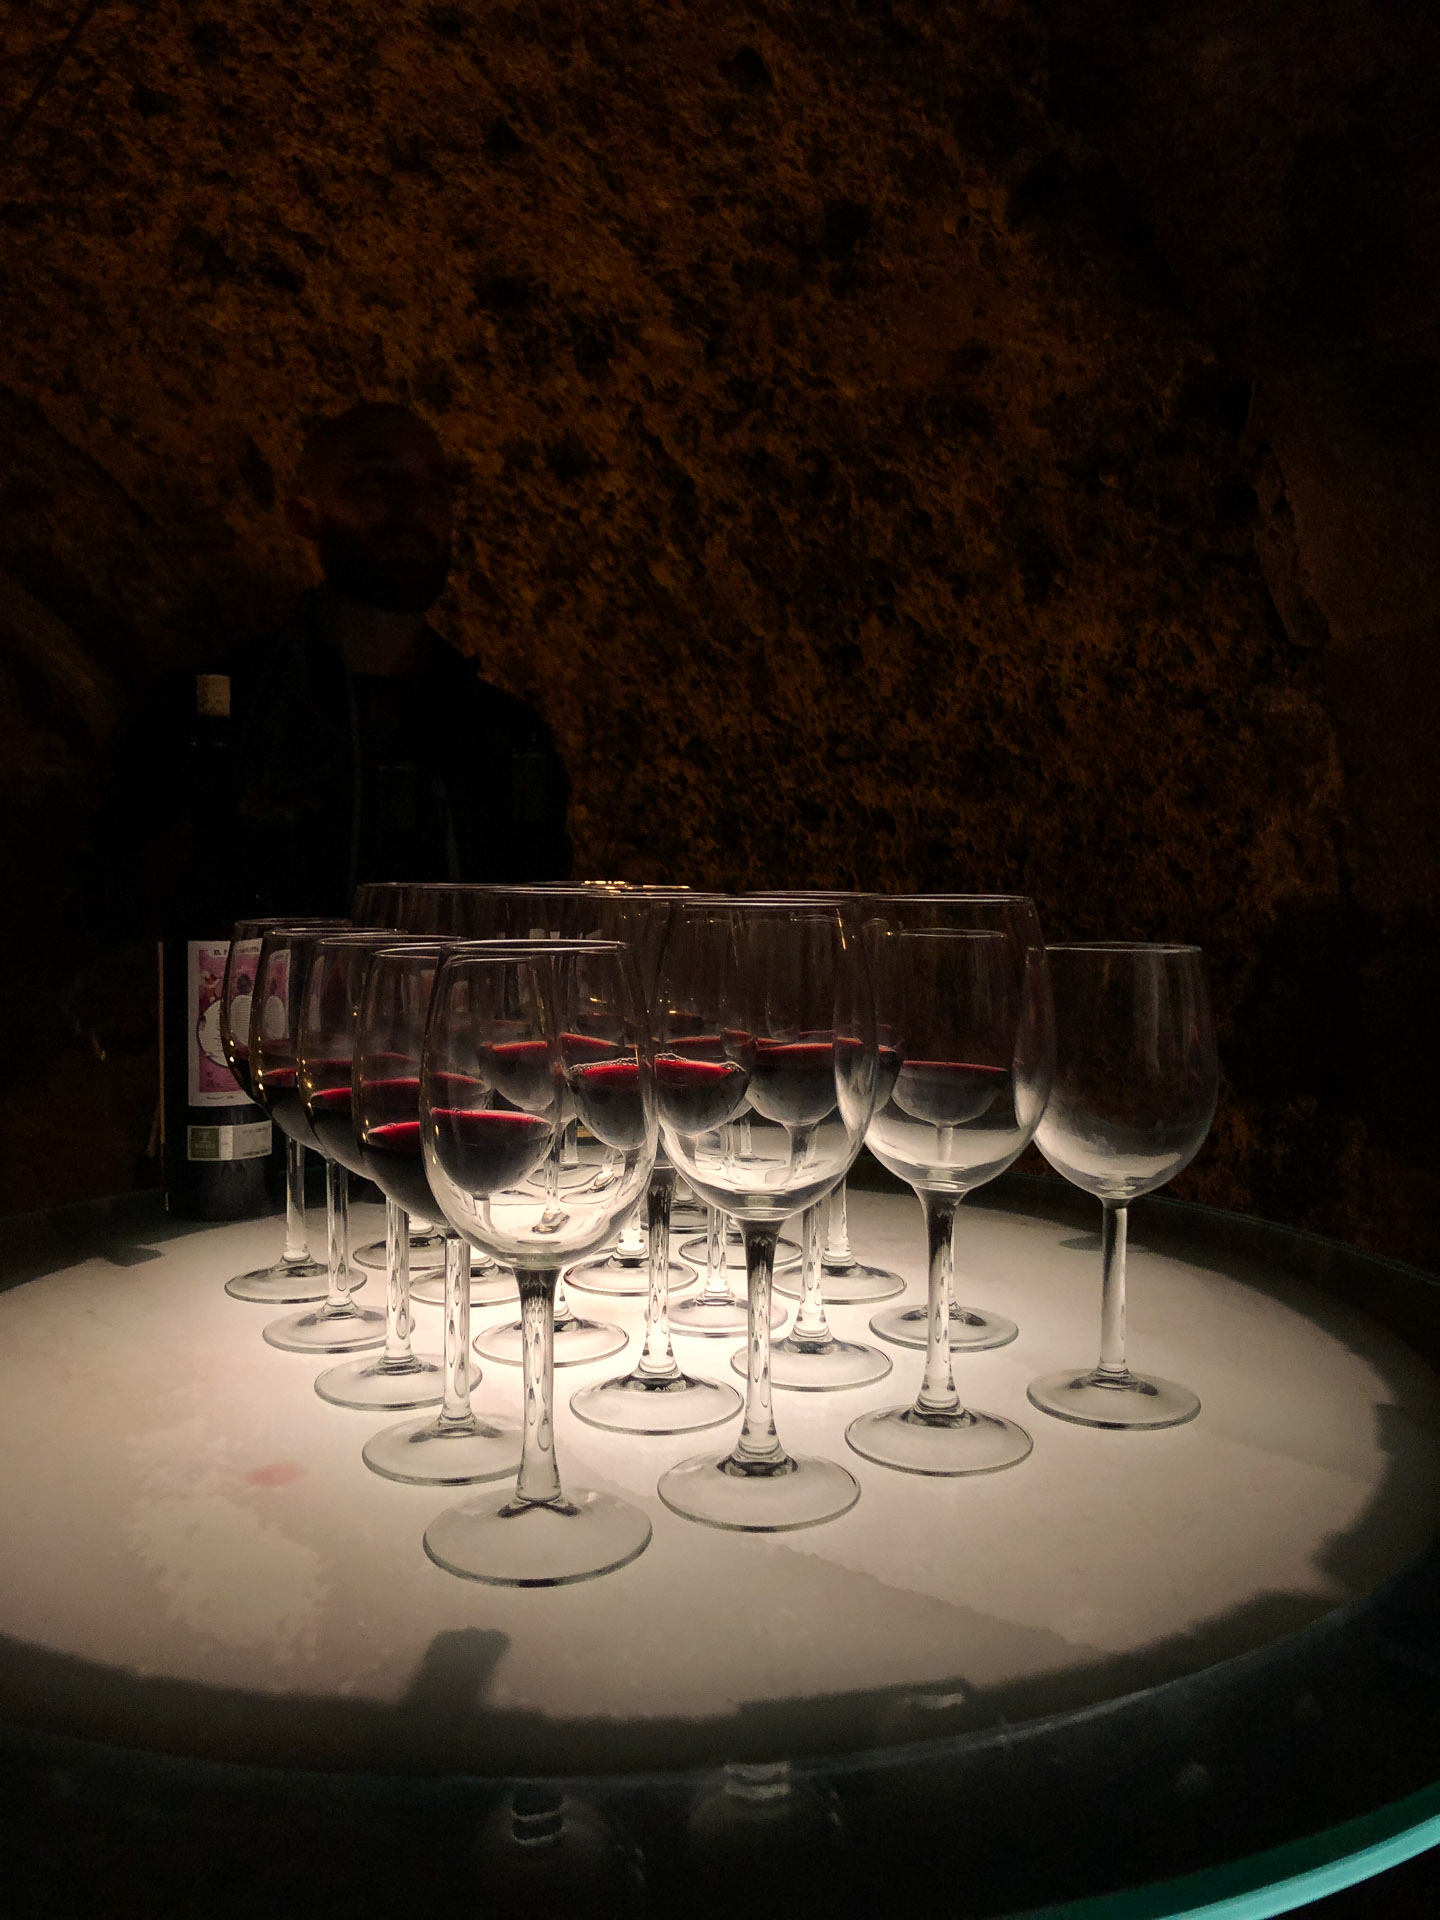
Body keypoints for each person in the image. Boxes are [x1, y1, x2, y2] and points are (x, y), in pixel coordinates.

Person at [94, 402, 571, 942]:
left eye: (437, 487)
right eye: (375, 480)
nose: (412, 508)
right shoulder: (207, 722)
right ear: (305, 515)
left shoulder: (508, 741)